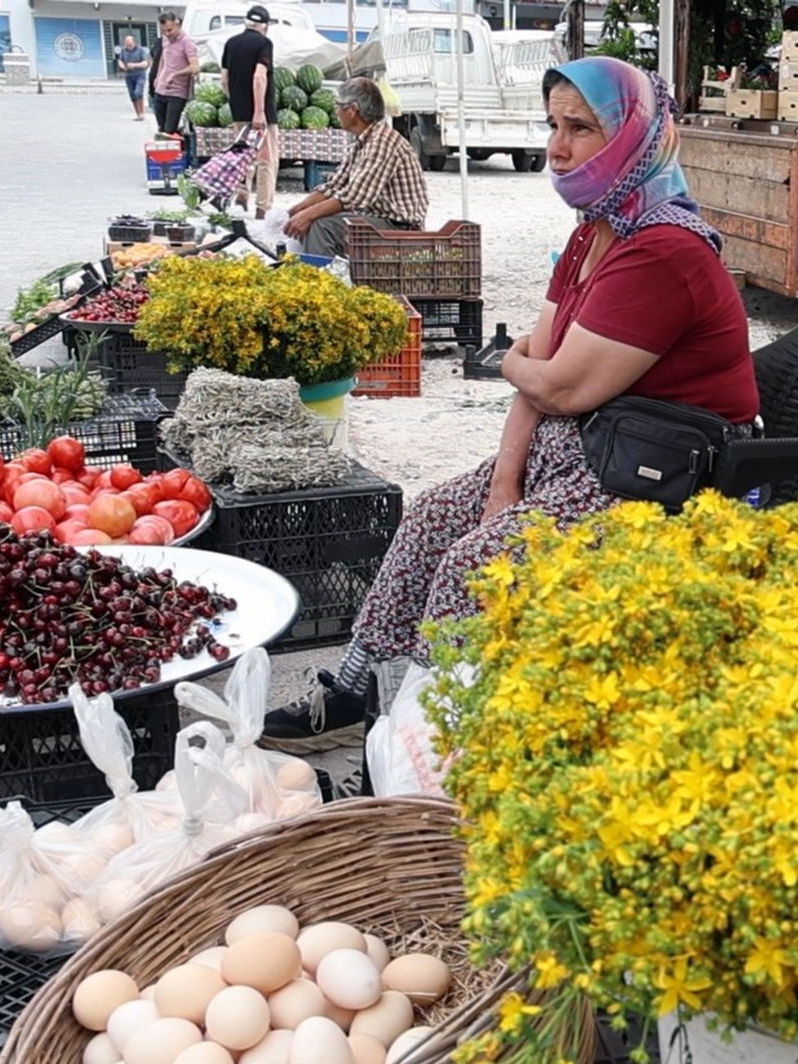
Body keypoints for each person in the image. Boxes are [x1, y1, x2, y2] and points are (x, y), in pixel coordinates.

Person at [262, 56, 758, 747]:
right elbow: (540, 369)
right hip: (585, 450)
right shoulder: (596, 228)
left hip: (655, 478)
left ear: (634, 135)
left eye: (579, 128)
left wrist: (519, 364)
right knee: (433, 517)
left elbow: (553, 380)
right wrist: (503, 483)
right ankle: (351, 691)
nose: (557, 147)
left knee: (476, 563)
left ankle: (426, 738)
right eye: (552, 125)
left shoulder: (663, 250)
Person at [283, 76, 427, 255]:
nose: (335, 111)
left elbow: (354, 197)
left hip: (399, 227)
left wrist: (308, 215)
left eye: (337, 105)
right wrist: (295, 211)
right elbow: (334, 185)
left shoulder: (383, 142)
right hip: (377, 218)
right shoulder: (362, 141)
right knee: (311, 220)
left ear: (352, 110)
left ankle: (322, 279)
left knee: (321, 226)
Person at [220, 4, 277, 218]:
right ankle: (263, 208)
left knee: (243, 157)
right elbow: (259, 76)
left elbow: (224, 79)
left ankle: (242, 195)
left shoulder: (231, 43)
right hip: (261, 114)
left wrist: (235, 101)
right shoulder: (264, 44)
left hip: (238, 111)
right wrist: (259, 112)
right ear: (265, 25)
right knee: (266, 161)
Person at [152, 11, 199, 137]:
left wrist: (175, 75)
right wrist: (158, 75)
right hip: (161, 89)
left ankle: (173, 153)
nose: (167, 34)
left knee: (169, 130)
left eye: (170, 30)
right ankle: (164, 153)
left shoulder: (187, 42)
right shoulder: (165, 40)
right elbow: (164, 58)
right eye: (163, 31)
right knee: (161, 129)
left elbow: (195, 67)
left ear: (177, 25)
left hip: (177, 93)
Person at [116, 34, 149, 121]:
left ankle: (142, 113)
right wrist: (122, 66)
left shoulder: (141, 50)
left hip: (139, 74)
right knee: (132, 94)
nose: (128, 47)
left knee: (138, 92)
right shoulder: (123, 50)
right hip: (128, 75)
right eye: (127, 45)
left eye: (130, 45)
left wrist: (134, 65)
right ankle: (137, 114)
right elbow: (120, 60)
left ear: (134, 42)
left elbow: (145, 63)